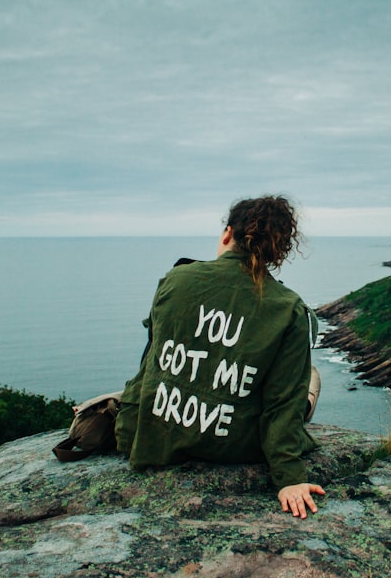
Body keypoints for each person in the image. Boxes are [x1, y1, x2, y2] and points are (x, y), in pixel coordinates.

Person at [115, 195, 325, 519]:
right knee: (310, 377)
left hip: (150, 437)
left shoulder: (176, 279)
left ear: (228, 234)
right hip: (233, 446)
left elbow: (151, 362)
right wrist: (289, 479)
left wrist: (130, 421)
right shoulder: (289, 310)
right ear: (276, 252)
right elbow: (281, 405)